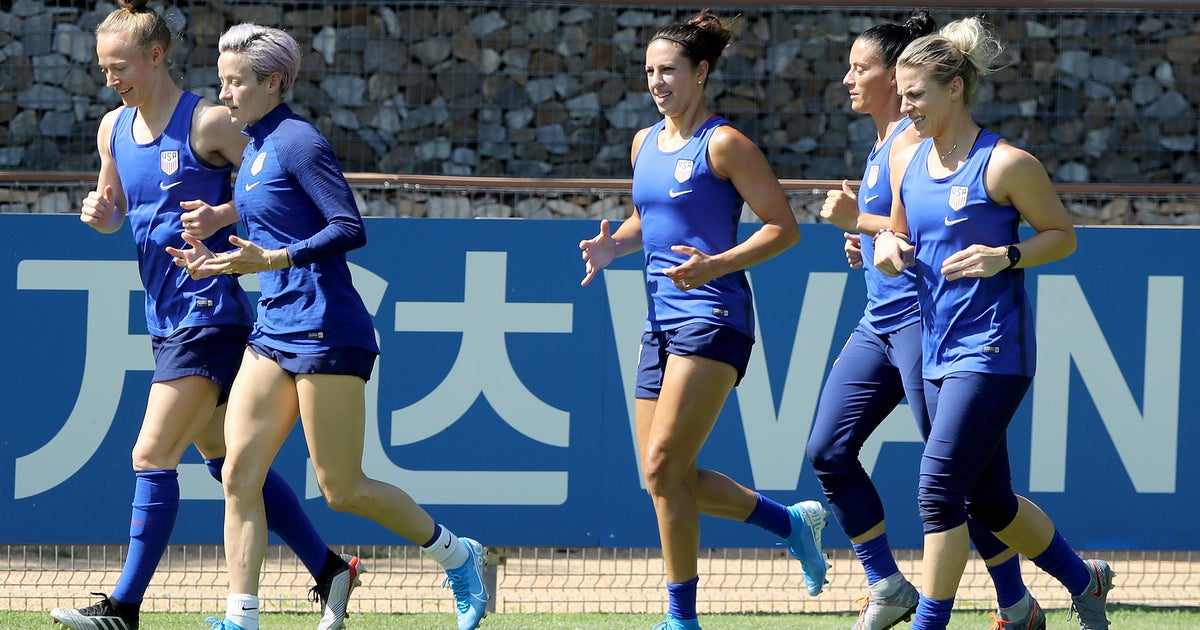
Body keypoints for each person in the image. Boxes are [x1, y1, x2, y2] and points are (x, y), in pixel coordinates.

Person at [165, 23, 488, 630]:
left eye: (235, 82)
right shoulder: (255, 147)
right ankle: (242, 618)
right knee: (237, 471)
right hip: (272, 331)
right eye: (221, 79)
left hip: (327, 329)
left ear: (274, 82)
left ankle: (458, 553)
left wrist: (273, 259)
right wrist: (219, 229)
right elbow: (273, 213)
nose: (224, 93)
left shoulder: (298, 141)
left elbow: (348, 227)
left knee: (342, 489)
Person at [50, 3, 362, 630]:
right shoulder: (113, 127)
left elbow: (275, 183)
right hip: (163, 316)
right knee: (228, 463)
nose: (111, 78)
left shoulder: (210, 123)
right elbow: (117, 210)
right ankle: (329, 568)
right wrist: (101, 214)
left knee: (150, 454)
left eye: (121, 65)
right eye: (104, 67)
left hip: (212, 313)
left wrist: (228, 222)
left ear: (155, 56)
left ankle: (124, 608)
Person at [872, 17, 1115, 630]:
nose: (905, 107)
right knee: (991, 500)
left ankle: (930, 622)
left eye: (916, 94)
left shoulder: (1006, 164)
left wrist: (1003, 256)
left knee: (936, 490)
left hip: (993, 351)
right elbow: (894, 232)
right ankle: (1084, 582)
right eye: (901, 95)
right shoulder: (909, 160)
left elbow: (1062, 238)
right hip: (933, 350)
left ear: (954, 88)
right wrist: (885, 248)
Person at [578, 10, 815, 630]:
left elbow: (782, 227)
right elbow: (651, 222)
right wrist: (614, 247)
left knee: (662, 469)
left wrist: (716, 266)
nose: (657, 82)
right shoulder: (643, 143)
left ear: (701, 72)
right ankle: (781, 530)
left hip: (715, 316)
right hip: (659, 321)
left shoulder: (725, 144)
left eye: (669, 71)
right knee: (662, 478)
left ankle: (693, 608)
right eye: (650, 71)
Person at [810, 12, 1045, 630]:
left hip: (925, 322)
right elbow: (901, 233)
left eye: (862, 67)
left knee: (958, 485)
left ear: (898, 76)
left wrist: (859, 225)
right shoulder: (893, 148)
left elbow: (912, 236)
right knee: (830, 450)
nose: (848, 79)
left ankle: (1012, 600)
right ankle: (890, 583)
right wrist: (870, 239)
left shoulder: (928, 144)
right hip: (880, 321)